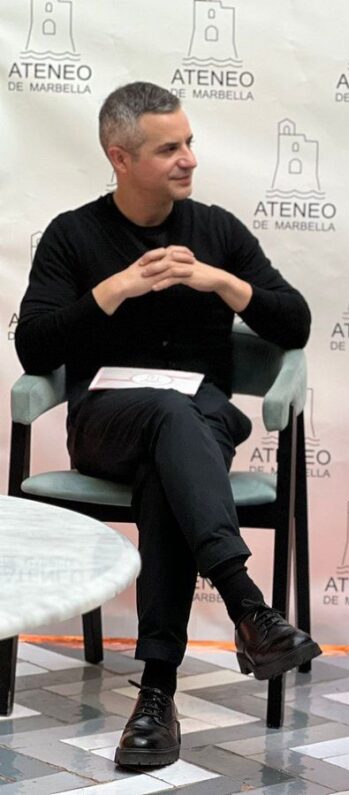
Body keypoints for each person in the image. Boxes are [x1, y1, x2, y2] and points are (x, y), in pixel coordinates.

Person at [15, 82, 321, 769]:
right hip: (107, 422)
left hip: (199, 421)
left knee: (170, 455)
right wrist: (115, 289)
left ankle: (156, 694)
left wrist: (220, 281)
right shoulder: (73, 235)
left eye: (189, 142)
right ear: (120, 157)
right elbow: (34, 348)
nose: (189, 159)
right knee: (165, 416)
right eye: (168, 148)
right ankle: (248, 606)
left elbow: (294, 323)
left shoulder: (215, 231)